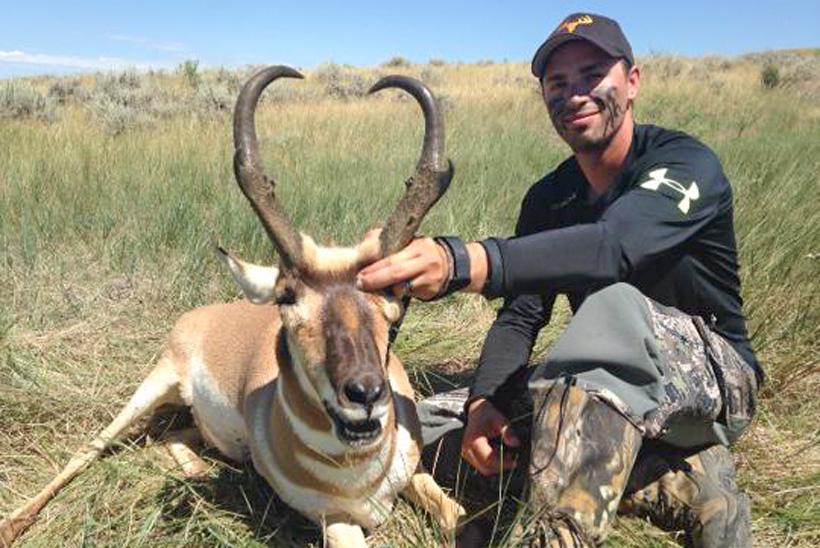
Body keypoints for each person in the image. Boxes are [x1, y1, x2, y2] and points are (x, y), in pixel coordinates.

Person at [357, 12, 760, 547]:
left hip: (714, 379)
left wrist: (465, 262)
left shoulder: (684, 164)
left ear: (632, 81)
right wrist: (483, 406)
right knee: (414, 421)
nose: (576, 94)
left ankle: (553, 534)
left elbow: (610, 246)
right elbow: (523, 314)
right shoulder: (549, 197)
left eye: (593, 74)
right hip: (601, 384)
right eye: (558, 83)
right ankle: (675, 479)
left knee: (614, 307)